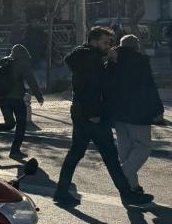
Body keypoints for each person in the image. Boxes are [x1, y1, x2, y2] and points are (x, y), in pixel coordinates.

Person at [53, 27, 153, 207]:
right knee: (109, 156)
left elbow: (97, 84)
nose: (109, 47)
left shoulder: (88, 58)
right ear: (94, 41)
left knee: (78, 154)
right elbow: (91, 88)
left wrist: (108, 61)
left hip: (84, 114)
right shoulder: (89, 59)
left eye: (110, 43)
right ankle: (127, 194)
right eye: (106, 43)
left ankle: (61, 192)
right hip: (92, 116)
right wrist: (94, 114)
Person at [107, 35, 164, 194]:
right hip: (138, 112)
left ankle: (132, 187)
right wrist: (158, 109)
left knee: (125, 150)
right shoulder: (140, 61)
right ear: (136, 45)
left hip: (118, 113)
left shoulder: (112, 60)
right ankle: (123, 176)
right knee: (143, 148)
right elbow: (149, 86)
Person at [0, 44, 44, 159]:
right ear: (25, 53)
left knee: (10, 123)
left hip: (1, 98)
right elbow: (31, 80)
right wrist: (39, 97)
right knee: (21, 124)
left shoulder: (4, 61)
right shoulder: (22, 63)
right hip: (15, 99)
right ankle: (15, 150)